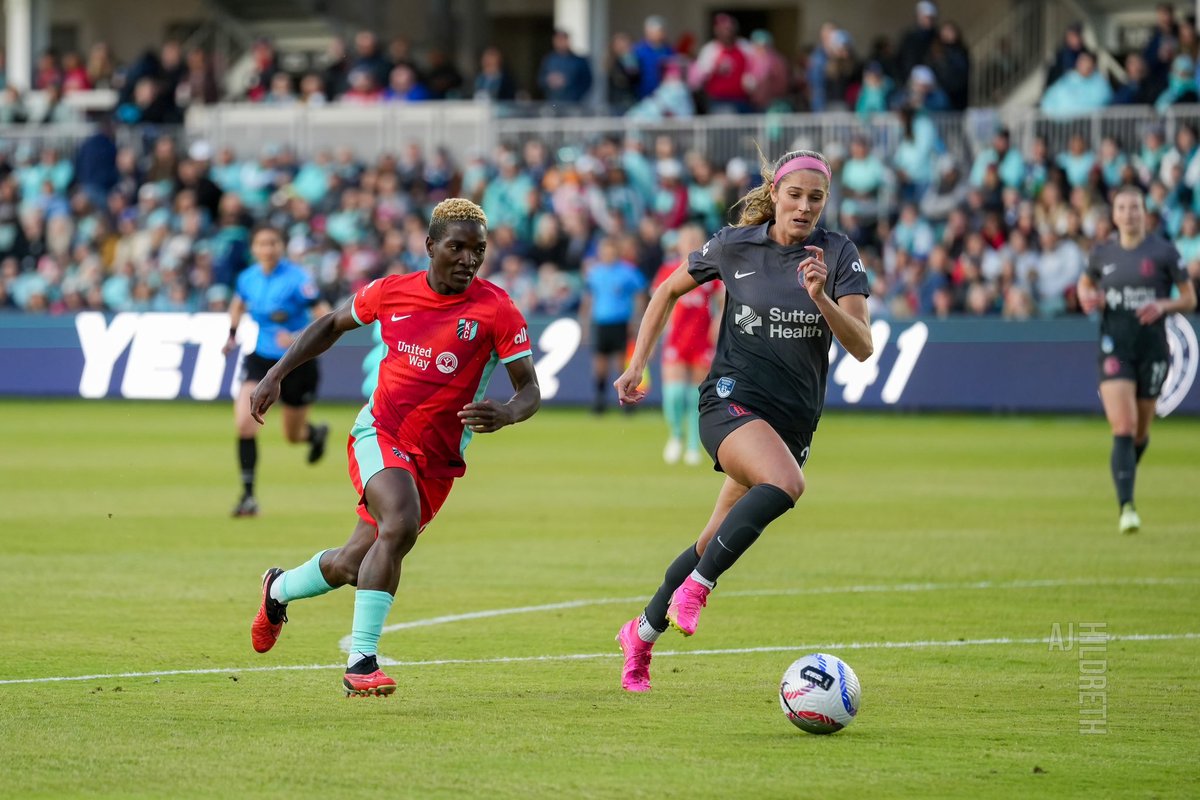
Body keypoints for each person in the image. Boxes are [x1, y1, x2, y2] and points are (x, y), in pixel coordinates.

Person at [247, 199, 540, 696]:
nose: (469, 259)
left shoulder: (497, 309)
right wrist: (276, 374)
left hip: (439, 460)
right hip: (380, 434)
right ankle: (361, 664)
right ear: (429, 246)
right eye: (457, 247)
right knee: (399, 524)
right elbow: (330, 325)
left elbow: (529, 388)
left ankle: (276, 589)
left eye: (479, 250)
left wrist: (508, 412)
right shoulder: (392, 292)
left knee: (350, 565)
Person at [613, 149, 873, 692]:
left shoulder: (838, 253)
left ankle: (639, 635)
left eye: (816, 198)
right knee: (786, 484)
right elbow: (667, 289)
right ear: (775, 193)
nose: (804, 207)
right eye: (795, 194)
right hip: (729, 403)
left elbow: (863, 346)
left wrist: (821, 297)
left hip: (791, 423)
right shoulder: (734, 244)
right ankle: (698, 588)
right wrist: (638, 361)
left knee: (712, 538)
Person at [1077, 186, 1196, 534]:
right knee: (1124, 427)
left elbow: (1188, 298)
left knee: (1141, 432)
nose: (1129, 213)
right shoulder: (1102, 254)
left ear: (1144, 213)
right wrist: (1088, 298)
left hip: (1153, 349)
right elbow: (1085, 285)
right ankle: (1126, 507)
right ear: (1113, 215)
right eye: (1122, 207)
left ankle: (1125, 472)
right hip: (1116, 347)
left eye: (1135, 207)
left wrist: (1163, 305)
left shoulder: (1163, 252)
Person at [223, 225, 331, 517]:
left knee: (292, 435)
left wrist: (298, 334)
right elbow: (238, 304)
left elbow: (326, 315)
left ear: (280, 246)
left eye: (272, 242)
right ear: (254, 249)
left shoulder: (299, 279)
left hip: (297, 361)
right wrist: (232, 334)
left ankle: (315, 434)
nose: (267, 249)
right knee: (245, 423)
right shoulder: (247, 278)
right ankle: (248, 497)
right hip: (260, 359)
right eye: (261, 243)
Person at [652, 224, 723, 465]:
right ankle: (676, 434)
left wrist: (717, 326)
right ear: (679, 244)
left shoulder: (711, 270)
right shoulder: (669, 270)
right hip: (676, 338)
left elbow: (723, 301)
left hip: (702, 338)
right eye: (687, 239)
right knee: (673, 394)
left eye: (696, 238)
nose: (691, 242)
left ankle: (694, 443)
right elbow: (659, 301)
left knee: (696, 396)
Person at [579, 236, 648, 413]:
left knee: (621, 364)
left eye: (611, 250)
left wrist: (636, 319)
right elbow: (588, 299)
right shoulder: (595, 273)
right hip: (601, 323)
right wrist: (585, 323)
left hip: (621, 323)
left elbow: (640, 294)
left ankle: (627, 403)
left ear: (616, 252)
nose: (608, 254)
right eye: (605, 251)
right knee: (600, 365)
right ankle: (600, 401)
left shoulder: (627, 271)